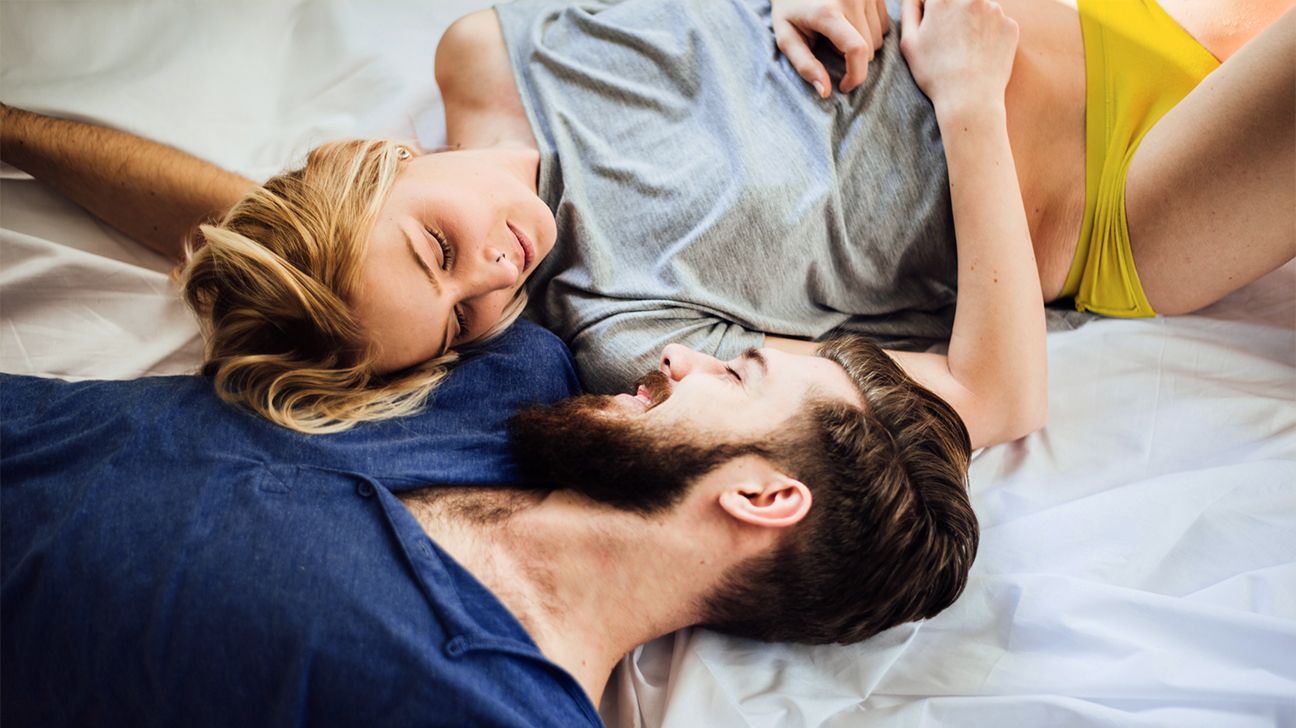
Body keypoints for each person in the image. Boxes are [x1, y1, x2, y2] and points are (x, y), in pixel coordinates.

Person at [2, 0, 1291, 448]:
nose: (497, 280)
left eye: (438, 250)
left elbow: (249, 219)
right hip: (1132, 196)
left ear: (372, 159)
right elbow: (996, 397)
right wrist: (962, 102)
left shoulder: (493, 45)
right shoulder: (626, 328)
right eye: (462, 323)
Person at [1, 319, 977, 725]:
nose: (682, 353)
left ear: (764, 495)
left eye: (738, 374)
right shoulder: (512, 373)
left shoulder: (505, 709)